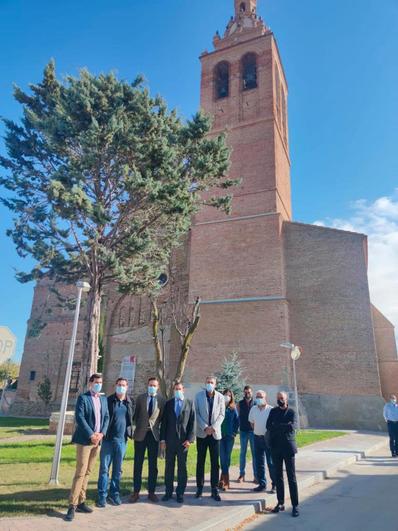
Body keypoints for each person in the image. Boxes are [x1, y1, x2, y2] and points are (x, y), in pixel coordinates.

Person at [65, 373, 110, 522]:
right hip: (85, 440)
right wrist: (91, 434)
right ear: (90, 383)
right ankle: (72, 505)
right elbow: (80, 417)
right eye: (96, 382)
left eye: (100, 382)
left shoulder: (103, 399)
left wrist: (102, 434)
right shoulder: (83, 398)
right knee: (80, 471)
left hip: (98, 441)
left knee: (88, 472)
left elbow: (106, 417)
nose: (99, 384)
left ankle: (81, 501)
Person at [97, 377, 134, 507]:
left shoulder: (129, 402)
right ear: (115, 386)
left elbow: (132, 419)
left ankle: (114, 494)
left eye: (123, 385)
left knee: (118, 470)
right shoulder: (108, 401)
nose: (121, 387)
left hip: (122, 441)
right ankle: (102, 495)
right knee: (104, 469)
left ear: (127, 387)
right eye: (119, 385)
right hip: (108, 440)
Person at [129, 376, 165, 503]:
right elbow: (135, 415)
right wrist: (134, 429)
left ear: (158, 387)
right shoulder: (140, 398)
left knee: (152, 465)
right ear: (147, 385)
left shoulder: (161, 400)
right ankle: (136, 492)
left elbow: (162, 419)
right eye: (150, 385)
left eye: (154, 385)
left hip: (154, 436)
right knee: (138, 464)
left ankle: (151, 492)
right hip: (140, 435)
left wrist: (162, 438)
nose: (152, 387)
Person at [160, 381, 195, 503]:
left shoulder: (189, 403)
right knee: (169, 467)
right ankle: (168, 492)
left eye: (179, 389)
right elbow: (164, 422)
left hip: (183, 442)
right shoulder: (169, 403)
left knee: (182, 467)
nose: (178, 391)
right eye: (176, 389)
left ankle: (180, 493)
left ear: (183, 390)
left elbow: (192, 422)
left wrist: (190, 439)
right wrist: (163, 439)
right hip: (170, 441)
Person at [267, 391, 299, 518]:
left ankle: (295, 505)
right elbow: (268, 425)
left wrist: (278, 426)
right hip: (275, 448)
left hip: (288, 448)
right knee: (278, 476)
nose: (280, 400)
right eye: (278, 398)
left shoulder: (291, 412)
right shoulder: (273, 411)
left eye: (282, 398)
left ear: (286, 399)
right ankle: (280, 502)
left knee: (291, 478)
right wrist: (283, 426)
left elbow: (292, 427)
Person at [195, 375, 225, 501]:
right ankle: (199, 488)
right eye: (208, 382)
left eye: (212, 382)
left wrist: (213, 427)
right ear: (205, 383)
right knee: (200, 461)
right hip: (202, 434)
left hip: (214, 434)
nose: (209, 384)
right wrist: (205, 427)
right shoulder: (198, 396)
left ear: (215, 384)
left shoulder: (220, 397)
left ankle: (214, 489)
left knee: (214, 463)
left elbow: (222, 414)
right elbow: (196, 413)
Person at [248, 390, 275, 493]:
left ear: (265, 398)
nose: (259, 398)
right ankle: (262, 484)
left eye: (261, 397)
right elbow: (252, 423)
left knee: (271, 462)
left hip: (267, 439)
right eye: (257, 396)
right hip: (257, 438)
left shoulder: (271, 410)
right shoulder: (253, 409)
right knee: (259, 462)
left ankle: (274, 485)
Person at [219, 389, 239, 490]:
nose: (227, 396)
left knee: (227, 457)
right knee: (222, 458)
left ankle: (224, 480)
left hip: (230, 436)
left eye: (229, 395)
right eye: (225, 395)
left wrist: (235, 432)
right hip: (220, 436)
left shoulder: (233, 408)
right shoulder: (219, 406)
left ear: (231, 397)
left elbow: (237, 421)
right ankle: (224, 480)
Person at [237, 385, 257, 483]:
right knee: (242, 453)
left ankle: (256, 475)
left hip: (253, 432)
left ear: (251, 392)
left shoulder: (256, 403)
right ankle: (241, 474)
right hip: (243, 431)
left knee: (255, 454)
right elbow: (238, 416)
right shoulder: (240, 403)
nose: (247, 394)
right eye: (245, 392)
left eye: (249, 392)